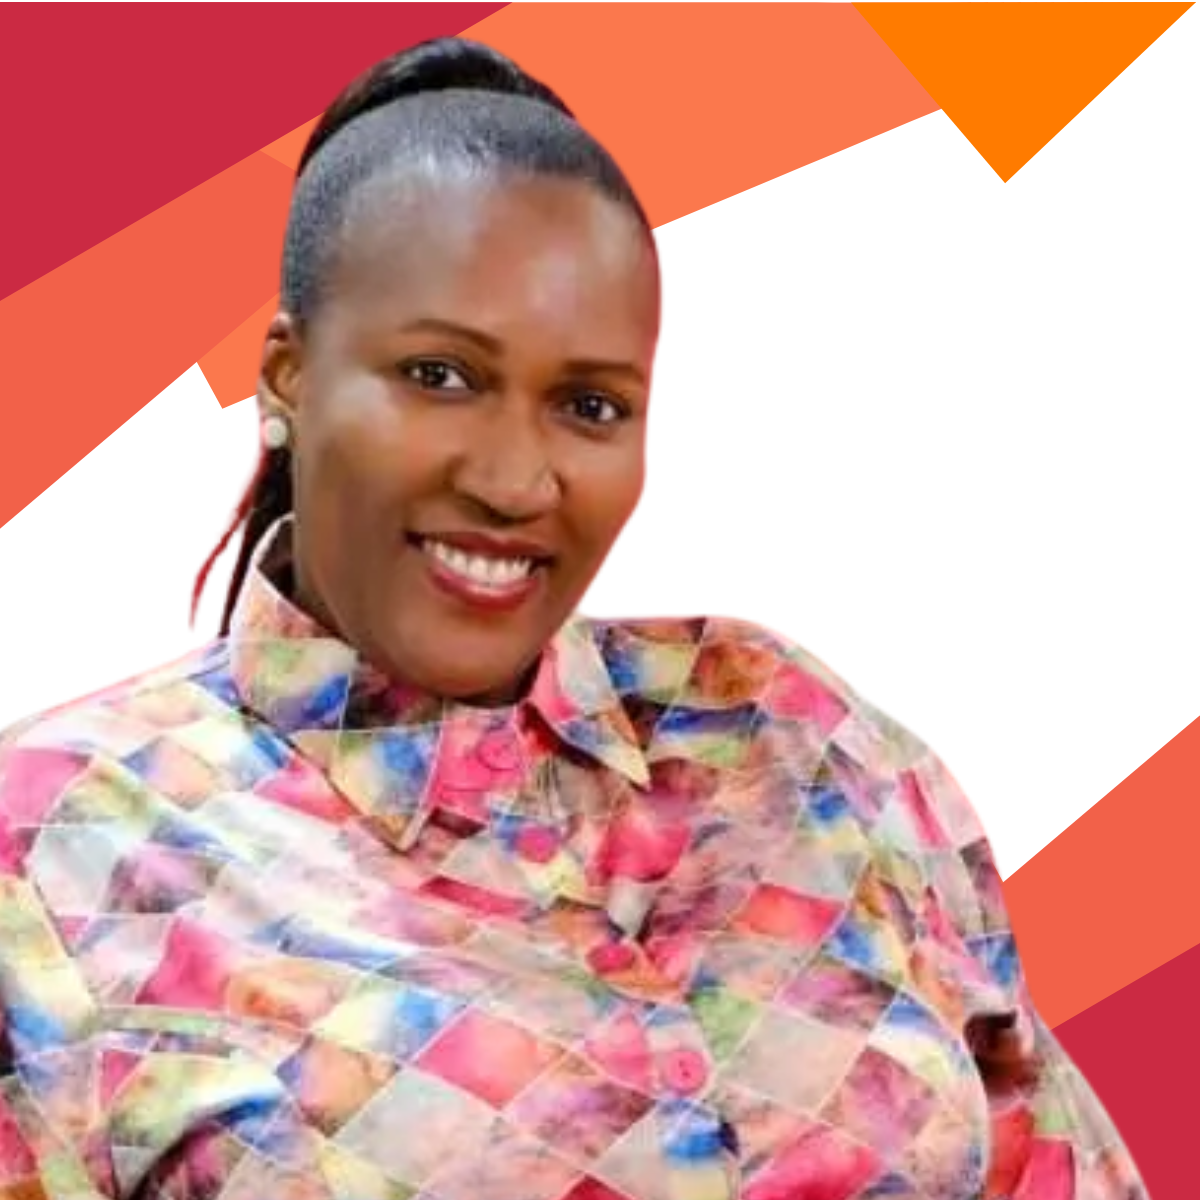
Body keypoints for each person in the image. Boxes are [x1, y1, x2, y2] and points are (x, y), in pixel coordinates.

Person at [0, 37, 1144, 1200]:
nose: (513, 482)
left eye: (589, 405)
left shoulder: (794, 740)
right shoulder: (56, 847)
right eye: (440, 376)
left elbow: (1051, 1160)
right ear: (289, 375)